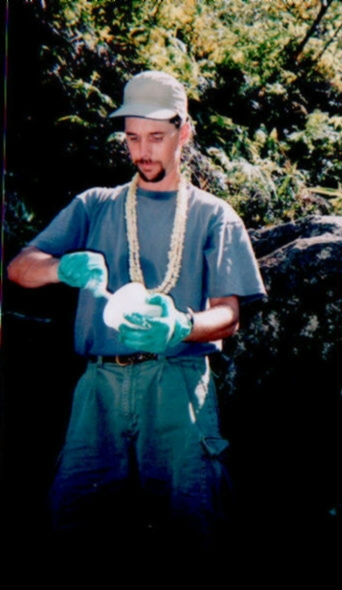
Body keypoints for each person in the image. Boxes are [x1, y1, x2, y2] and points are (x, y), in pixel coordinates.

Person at [8, 70, 266, 564]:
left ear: (184, 132)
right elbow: (20, 268)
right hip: (99, 388)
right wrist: (61, 268)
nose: (143, 151)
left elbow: (228, 316)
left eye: (156, 137)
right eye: (132, 138)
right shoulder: (95, 206)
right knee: (71, 521)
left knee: (193, 522)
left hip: (178, 382)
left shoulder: (215, 216)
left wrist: (181, 326)